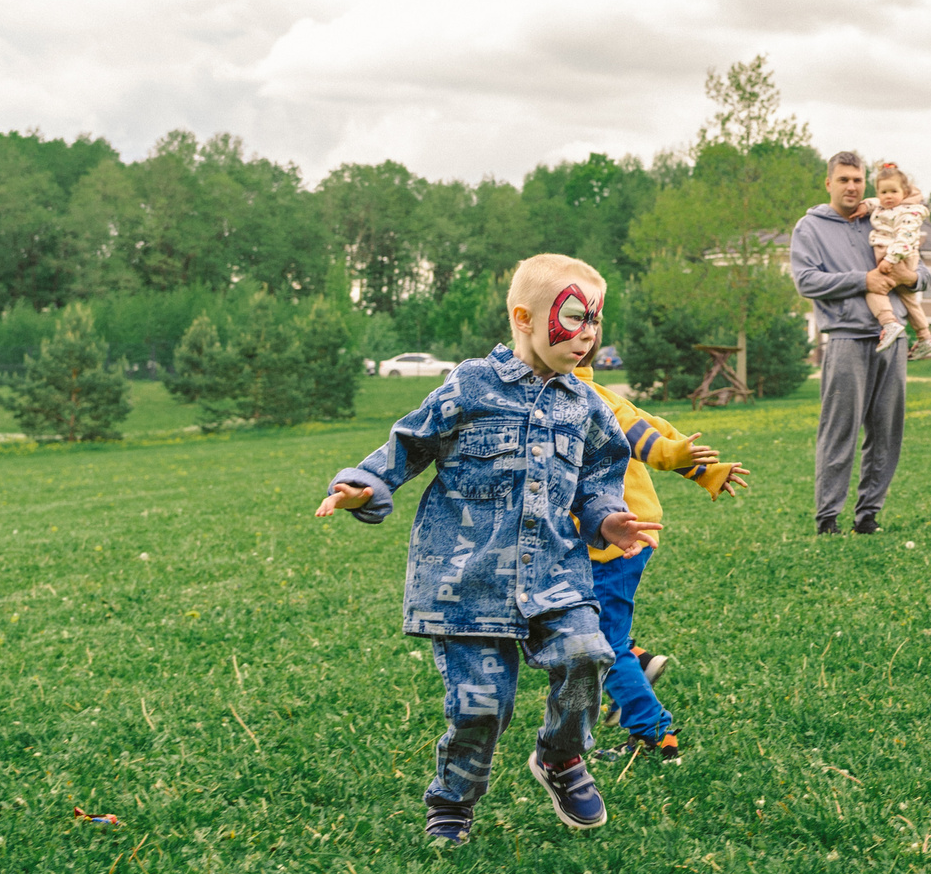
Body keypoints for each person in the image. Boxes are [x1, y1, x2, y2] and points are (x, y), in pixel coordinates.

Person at [314, 254, 657, 843]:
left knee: (586, 655)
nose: (587, 336)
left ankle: (561, 756)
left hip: (555, 578)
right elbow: (407, 443)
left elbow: (601, 480)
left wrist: (607, 521)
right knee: (480, 707)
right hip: (465, 585)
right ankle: (453, 799)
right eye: (573, 318)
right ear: (524, 317)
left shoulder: (590, 408)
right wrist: (363, 486)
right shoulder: (470, 387)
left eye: (596, 322)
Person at [572, 344, 752, 764]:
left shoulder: (588, 399)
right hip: (594, 541)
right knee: (578, 624)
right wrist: (703, 471)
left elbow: (646, 436)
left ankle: (655, 733)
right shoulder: (560, 394)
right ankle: (639, 659)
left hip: (620, 542)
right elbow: (655, 427)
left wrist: (699, 466)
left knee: (600, 644)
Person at [788, 151, 906, 536]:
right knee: (839, 431)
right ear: (829, 184)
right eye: (844, 180)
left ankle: (868, 515)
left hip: (892, 338)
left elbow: (917, 267)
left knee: (887, 431)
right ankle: (828, 518)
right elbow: (806, 280)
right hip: (845, 339)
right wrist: (863, 280)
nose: (852, 186)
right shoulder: (810, 228)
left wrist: (913, 278)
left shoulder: (883, 216)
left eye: (857, 179)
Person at [863, 163, 931, 354]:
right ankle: (925, 337)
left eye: (893, 191)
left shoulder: (907, 212)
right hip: (897, 256)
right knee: (909, 299)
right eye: (883, 192)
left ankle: (889, 323)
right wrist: (865, 205)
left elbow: (904, 238)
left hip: (898, 257)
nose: (888, 196)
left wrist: (890, 259)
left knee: (875, 289)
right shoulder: (885, 206)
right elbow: (875, 202)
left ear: (904, 192)